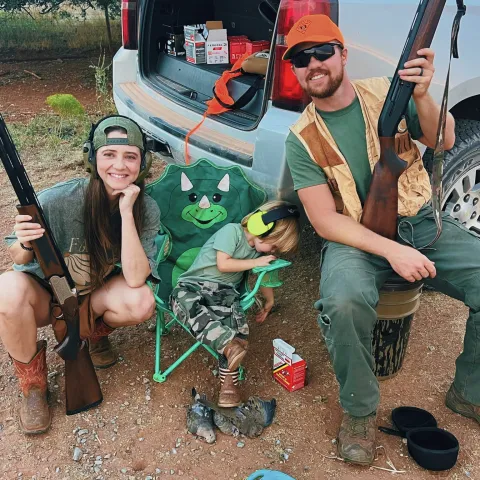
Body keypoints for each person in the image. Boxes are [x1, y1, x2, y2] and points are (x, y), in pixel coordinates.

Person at [284, 14, 480, 465]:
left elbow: (443, 138)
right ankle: (359, 412)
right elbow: (325, 221)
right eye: (300, 59)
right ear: (294, 70)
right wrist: (393, 251)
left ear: (342, 54)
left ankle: (469, 391)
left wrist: (424, 95)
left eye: (321, 52)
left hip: (418, 221)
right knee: (344, 301)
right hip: (355, 238)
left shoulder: (389, 94)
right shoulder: (302, 139)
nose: (313, 64)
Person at [0, 115, 160, 435]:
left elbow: (135, 278)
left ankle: (89, 337)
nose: (120, 165)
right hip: (49, 296)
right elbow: (16, 256)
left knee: (141, 301)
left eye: (130, 156)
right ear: (93, 158)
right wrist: (23, 241)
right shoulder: (57, 200)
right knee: (7, 290)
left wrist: (127, 213)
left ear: (142, 163)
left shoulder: (146, 208)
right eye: (109, 155)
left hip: (92, 298)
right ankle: (33, 388)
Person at [171, 201, 300, 407]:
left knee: (236, 326)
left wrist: (269, 300)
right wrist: (256, 262)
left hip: (224, 294)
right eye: (274, 245)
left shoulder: (258, 252)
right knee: (184, 302)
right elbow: (224, 264)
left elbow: (264, 275)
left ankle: (229, 383)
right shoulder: (231, 232)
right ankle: (227, 345)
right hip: (193, 286)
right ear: (260, 226)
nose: (273, 251)